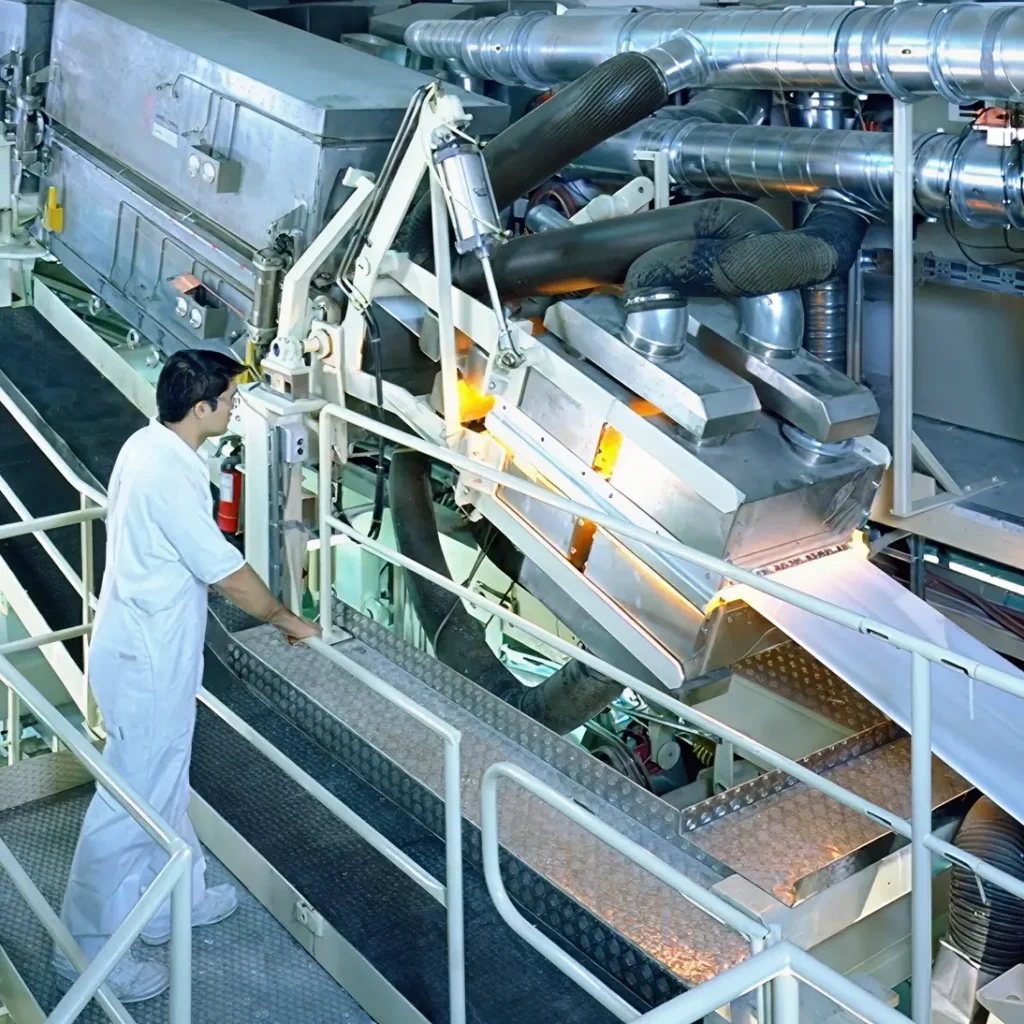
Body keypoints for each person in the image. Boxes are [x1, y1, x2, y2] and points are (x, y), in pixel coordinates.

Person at [53, 349, 320, 1003]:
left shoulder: (149, 445)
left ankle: (176, 896)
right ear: (201, 409)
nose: (234, 407)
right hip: (146, 662)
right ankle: (85, 952)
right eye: (228, 400)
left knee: (165, 780)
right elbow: (224, 571)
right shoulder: (170, 473)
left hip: (148, 649)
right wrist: (285, 617)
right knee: (130, 803)